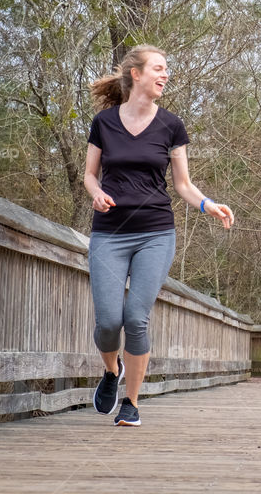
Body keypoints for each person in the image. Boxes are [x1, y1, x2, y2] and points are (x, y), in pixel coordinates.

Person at [83, 44, 234, 427]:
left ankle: (131, 402)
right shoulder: (104, 123)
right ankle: (112, 372)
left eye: (167, 70)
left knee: (136, 319)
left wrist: (208, 205)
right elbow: (89, 174)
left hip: (155, 232)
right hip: (109, 235)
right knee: (107, 323)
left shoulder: (172, 125)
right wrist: (96, 193)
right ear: (136, 73)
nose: (165, 75)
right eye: (159, 69)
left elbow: (183, 184)